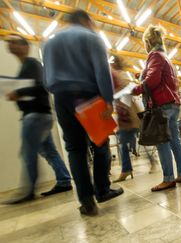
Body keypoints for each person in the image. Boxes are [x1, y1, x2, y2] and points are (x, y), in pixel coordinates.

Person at [42, 10, 123, 215]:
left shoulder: (50, 43)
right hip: (88, 96)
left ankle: (86, 200)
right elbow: (101, 71)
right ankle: (103, 190)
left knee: (75, 149)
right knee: (101, 142)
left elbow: (46, 79)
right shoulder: (91, 38)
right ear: (86, 20)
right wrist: (108, 100)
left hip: (61, 98)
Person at [3, 34, 72, 204]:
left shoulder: (32, 64)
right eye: (8, 42)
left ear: (25, 46)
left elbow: (41, 86)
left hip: (36, 116)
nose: (9, 44)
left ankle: (28, 191)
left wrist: (17, 93)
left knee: (28, 153)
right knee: (49, 151)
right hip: (39, 115)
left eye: (14, 42)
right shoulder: (25, 67)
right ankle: (63, 180)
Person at [133, 25, 181, 192]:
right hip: (173, 102)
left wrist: (135, 89)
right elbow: (159, 77)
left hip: (162, 104)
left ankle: (168, 179)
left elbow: (152, 81)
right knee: (175, 141)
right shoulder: (165, 56)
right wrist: (142, 75)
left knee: (162, 140)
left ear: (148, 41)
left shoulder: (154, 55)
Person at [110, 56, 140, 182]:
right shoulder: (122, 76)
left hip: (127, 115)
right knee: (131, 143)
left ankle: (126, 170)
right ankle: (151, 162)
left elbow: (127, 94)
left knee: (123, 145)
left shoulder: (119, 76)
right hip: (128, 115)